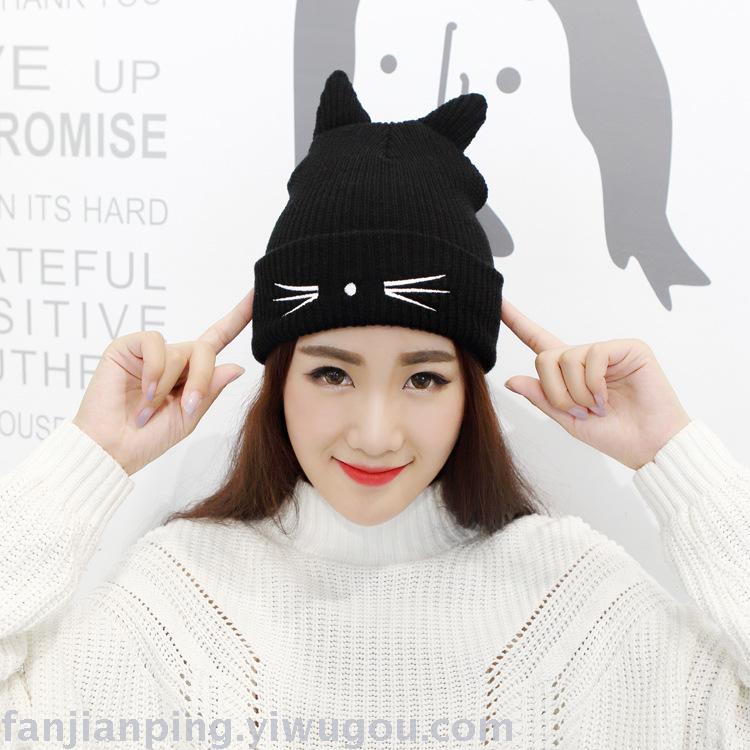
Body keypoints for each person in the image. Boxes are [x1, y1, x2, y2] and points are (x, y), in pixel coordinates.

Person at [1, 69, 749, 749]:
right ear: (279, 380)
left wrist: (672, 453)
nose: (375, 433)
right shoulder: (180, 599)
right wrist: (90, 455)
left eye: (423, 379)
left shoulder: (572, 599)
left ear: (470, 392)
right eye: (332, 374)